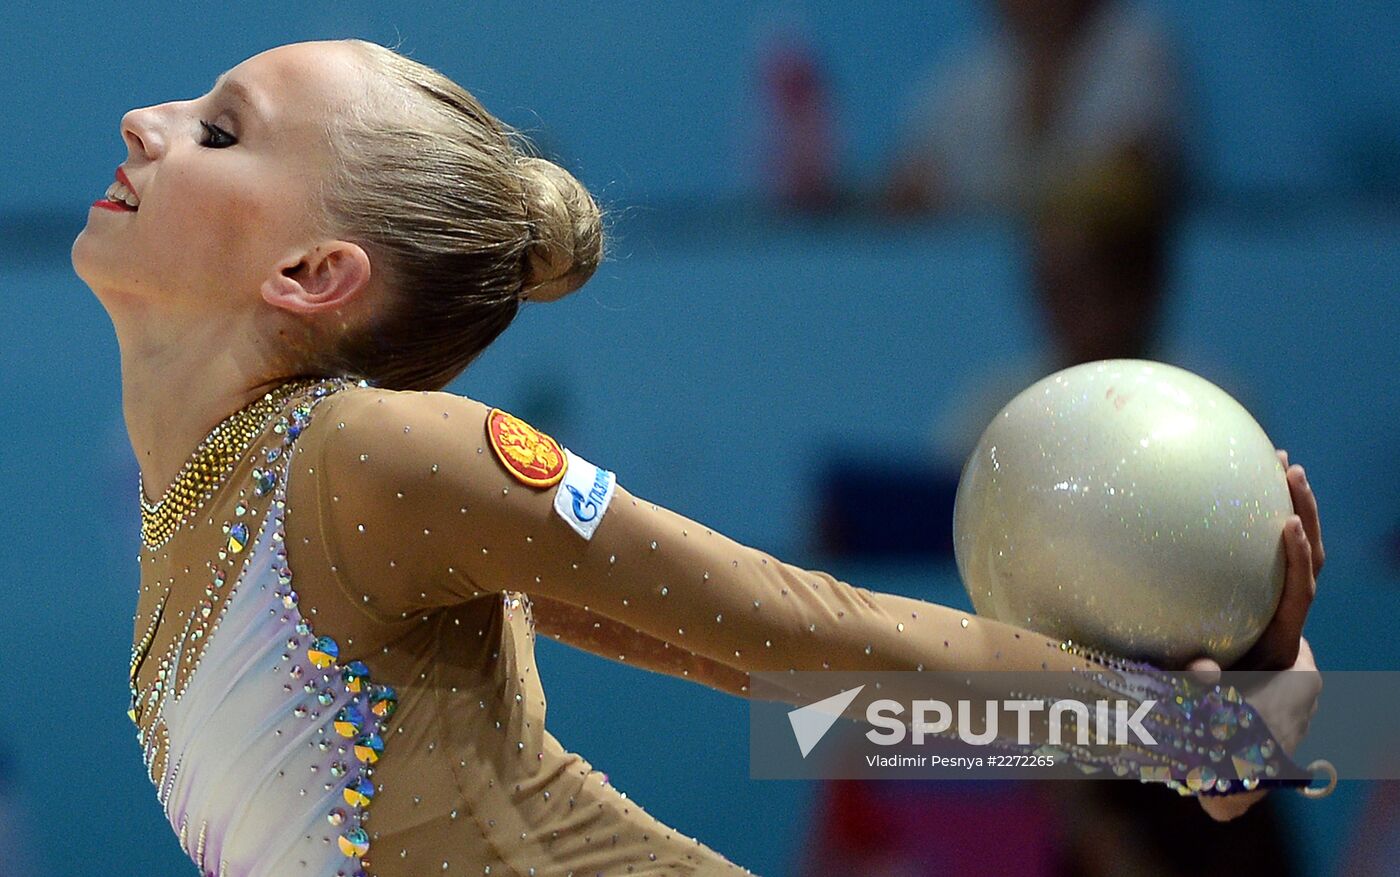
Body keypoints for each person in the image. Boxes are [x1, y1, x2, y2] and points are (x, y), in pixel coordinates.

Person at [71, 40, 1326, 876]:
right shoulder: (204, 500)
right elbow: (757, 676)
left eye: (220, 131)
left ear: (313, 274)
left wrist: (1191, 735)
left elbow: (795, 632)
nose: (145, 120)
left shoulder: (365, 457)